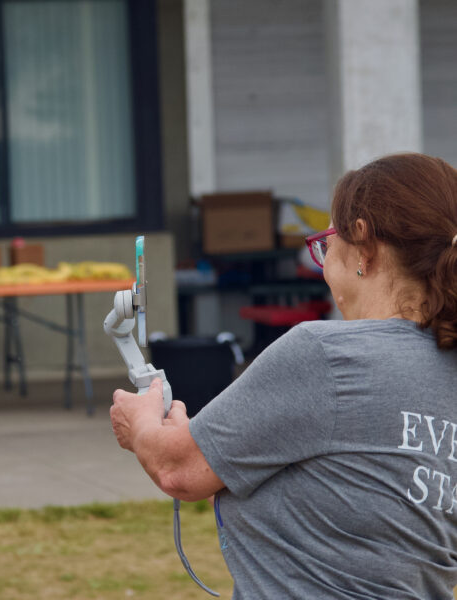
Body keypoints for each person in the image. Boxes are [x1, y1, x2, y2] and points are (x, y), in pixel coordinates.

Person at [110, 152, 457, 598]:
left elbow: (178, 470)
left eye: (328, 240)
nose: (322, 259)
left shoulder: (324, 355)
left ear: (364, 246)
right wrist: (214, 447)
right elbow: (353, 502)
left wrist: (140, 421)